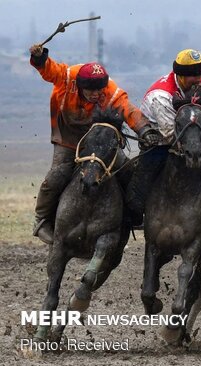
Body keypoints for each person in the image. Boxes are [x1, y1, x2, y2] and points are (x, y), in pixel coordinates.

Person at [28, 43, 153, 244]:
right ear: (79, 86)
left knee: (127, 170)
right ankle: (41, 220)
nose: (95, 94)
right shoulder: (67, 77)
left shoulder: (110, 91)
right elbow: (50, 70)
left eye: (98, 90)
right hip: (68, 137)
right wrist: (40, 58)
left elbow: (128, 110)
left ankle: (132, 215)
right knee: (56, 175)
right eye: (90, 90)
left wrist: (145, 130)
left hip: (97, 140)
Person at [126, 49, 201, 226]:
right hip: (161, 142)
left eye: (200, 73)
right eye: (192, 75)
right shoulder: (161, 96)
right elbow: (171, 134)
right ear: (179, 75)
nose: (198, 79)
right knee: (140, 188)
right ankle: (136, 215)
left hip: (194, 132)